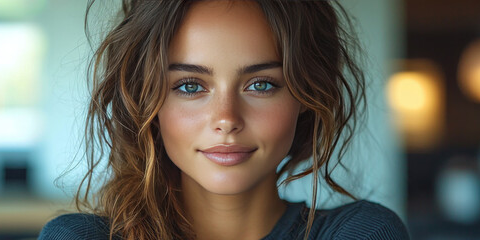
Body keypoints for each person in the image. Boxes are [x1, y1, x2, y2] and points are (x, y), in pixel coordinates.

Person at [39, 0, 409, 239]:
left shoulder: (363, 232)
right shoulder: (79, 238)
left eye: (261, 84)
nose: (226, 119)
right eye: (189, 86)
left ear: (305, 98)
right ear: (146, 103)